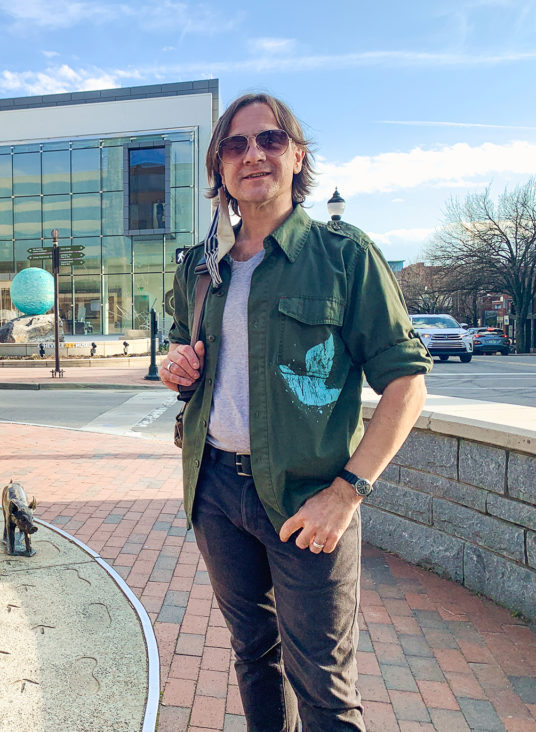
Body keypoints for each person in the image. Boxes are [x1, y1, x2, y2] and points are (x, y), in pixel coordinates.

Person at [160, 93, 432, 730]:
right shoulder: (201, 268)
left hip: (309, 497)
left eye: (270, 140)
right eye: (235, 145)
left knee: (325, 689)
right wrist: (180, 367)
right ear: (219, 169)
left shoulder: (344, 256)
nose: (253, 154)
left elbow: (406, 384)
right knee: (253, 655)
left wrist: (348, 493)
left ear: (296, 156)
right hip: (216, 492)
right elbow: (188, 361)